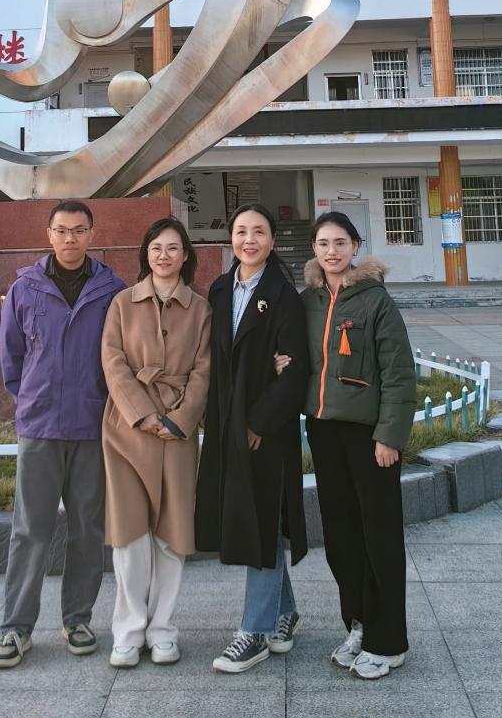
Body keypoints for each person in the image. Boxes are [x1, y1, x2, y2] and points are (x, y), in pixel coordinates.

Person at [0, 199, 126, 669]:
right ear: (49, 234)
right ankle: (16, 627)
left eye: (79, 230)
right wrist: (34, 398)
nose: (71, 238)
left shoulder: (112, 291)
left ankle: (78, 619)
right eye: (62, 230)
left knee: (88, 529)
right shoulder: (24, 289)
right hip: (41, 427)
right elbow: (12, 360)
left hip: (91, 427)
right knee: (30, 529)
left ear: (92, 234)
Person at [285, 210, 416, 681]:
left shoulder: (375, 301)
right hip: (325, 431)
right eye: (323, 243)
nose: (332, 251)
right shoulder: (309, 301)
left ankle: (389, 642)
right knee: (341, 538)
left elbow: (398, 373)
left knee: (379, 536)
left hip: (369, 436)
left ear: (355, 247)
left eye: (340, 242)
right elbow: (298, 355)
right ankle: (358, 625)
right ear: (314, 250)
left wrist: (389, 436)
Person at [195, 202, 310, 674]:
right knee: (254, 519)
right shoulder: (220, 289)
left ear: (272, 240)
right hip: (228, 422)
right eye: (241, 231)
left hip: (266, 430)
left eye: (258, 232)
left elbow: (294, 369)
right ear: (231, 239)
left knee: (261, 521)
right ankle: (285, 611)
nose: (249, 240)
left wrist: (259, 422)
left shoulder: (284, 295)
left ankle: (254, 632)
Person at [101, 217, 211, 668]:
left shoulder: (201, 309)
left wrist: (180, 419)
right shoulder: (122, 303)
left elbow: (204, 371)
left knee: (171, 534)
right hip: (126, 432)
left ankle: (163, 629)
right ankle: (128, 631)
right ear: (145, 255)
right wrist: (144, 413)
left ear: (185, 256)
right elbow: (112, 361)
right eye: (155, 248)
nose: (163, 256)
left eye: (172, 248)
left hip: (177, 435)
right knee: (129, 536)